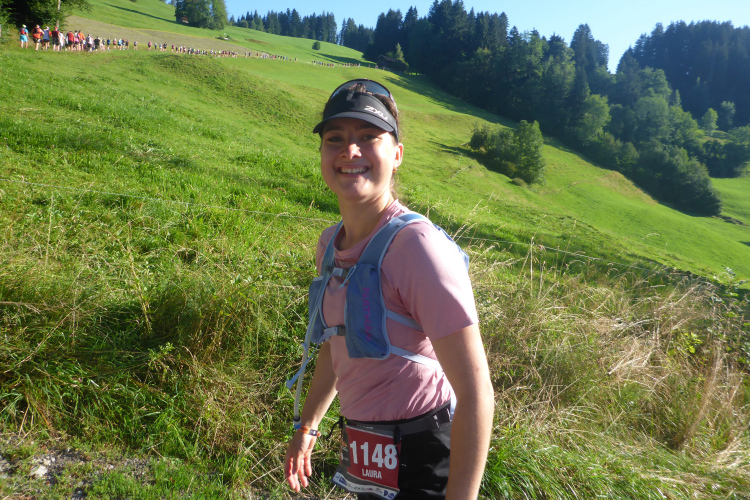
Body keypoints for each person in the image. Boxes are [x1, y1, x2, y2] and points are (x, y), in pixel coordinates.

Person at [283, 79, 494, 500]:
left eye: (368, 137)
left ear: (396, 155)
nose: (350, 151)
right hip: (367, 453)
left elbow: (476, 393)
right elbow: (339, 344)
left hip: (426, 453)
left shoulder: (417, 247)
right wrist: (307, 427)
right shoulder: (330, 245)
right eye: (335, 138)